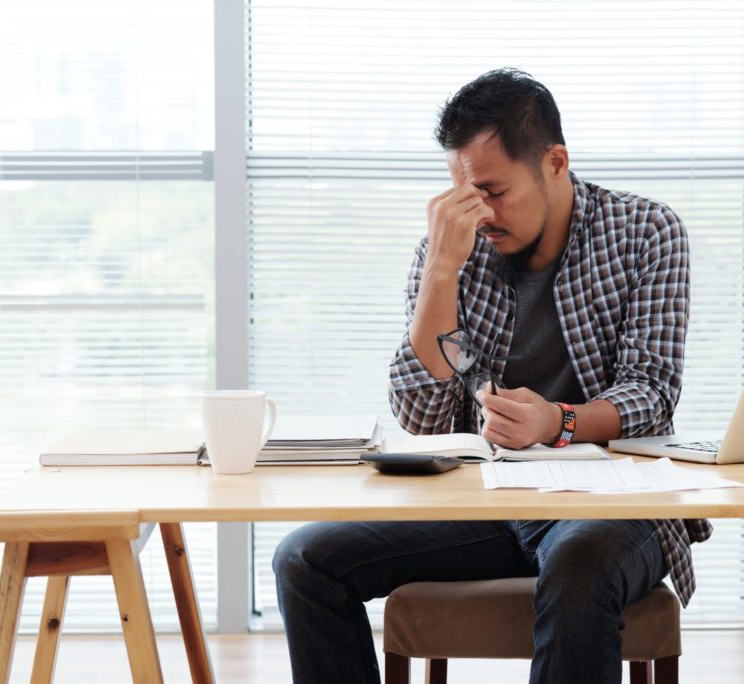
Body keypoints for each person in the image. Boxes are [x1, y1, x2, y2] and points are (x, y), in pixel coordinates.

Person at [273, 68, 712, 684]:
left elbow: (652, 391)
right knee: (304, 558)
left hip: (615, 502)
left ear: (554, 163)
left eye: (494, 191)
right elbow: (422, 417)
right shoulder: (452, 248)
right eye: (464, 193)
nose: (479, 213)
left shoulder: (645, 232)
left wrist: (556, 422)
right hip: (486, 499)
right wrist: (441, 272)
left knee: (580, 563)